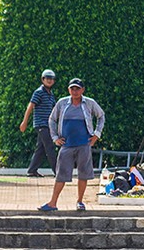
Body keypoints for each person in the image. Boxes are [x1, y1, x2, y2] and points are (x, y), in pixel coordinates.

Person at [39, 79, 104, 212]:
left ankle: (80, 201)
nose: (75, 91)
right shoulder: (62, 103)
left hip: (84, 144)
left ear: (82, 90)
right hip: (67, 144)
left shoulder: (89, 103)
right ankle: (53, 203)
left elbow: (101, 116)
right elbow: (52, 119)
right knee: (61, 174)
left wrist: (97, 134)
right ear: (69, 90)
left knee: (83, 174)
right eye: (72, 89)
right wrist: (55, 138)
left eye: (77, 89)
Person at [19, 69, 60, 177]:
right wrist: (24, 122)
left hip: (48, 125)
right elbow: (30, 106)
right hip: (41, 124)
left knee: (41, 148)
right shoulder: (39, 92)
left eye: (51, 79)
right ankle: (58, 172)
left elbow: (55, 109)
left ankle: (32, 170)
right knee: (50, 147)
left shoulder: (51, 94)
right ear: (43, 79)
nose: (49, 80)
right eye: (47, 78)